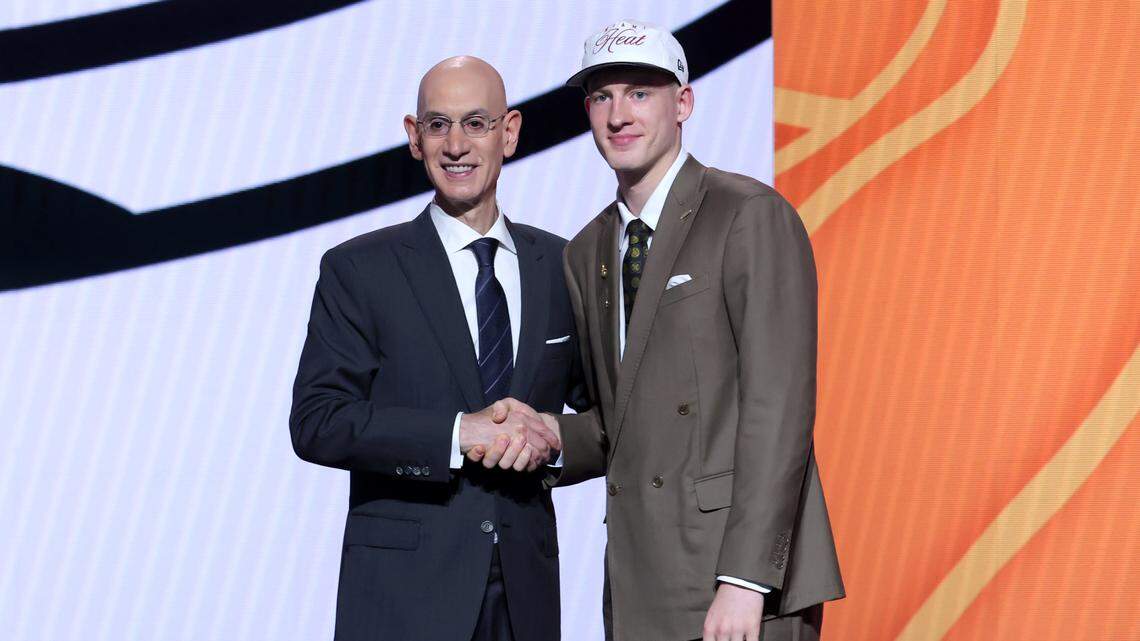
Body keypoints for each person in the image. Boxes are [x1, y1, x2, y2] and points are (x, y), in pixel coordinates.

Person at [517, 19, 845, 641]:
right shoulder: (587, 251)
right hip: (642, 579)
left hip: (738, 582)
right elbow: (623, 425)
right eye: (601, 96)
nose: (619, 114)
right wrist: (548, 436)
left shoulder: (747, 214)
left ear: (684, 102)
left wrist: (745, 582)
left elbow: (779, 408)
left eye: (640, 92)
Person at [289, 55, 584, 641]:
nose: (456, 145)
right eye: (437, 124)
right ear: (413, 137)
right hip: (404, 598)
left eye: (476, 123)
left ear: (510, 132)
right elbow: (318, 421)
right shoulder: (359, 269)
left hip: (527, 594)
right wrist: (455, 435)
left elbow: (611, 417)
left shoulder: (563, 265)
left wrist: (552, 438)